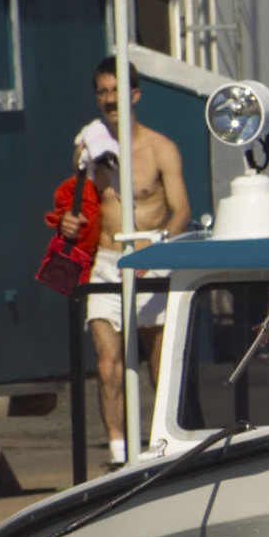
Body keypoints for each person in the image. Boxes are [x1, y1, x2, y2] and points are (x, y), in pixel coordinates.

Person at [80, 64, 190, 451]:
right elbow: (77, 205)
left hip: (151, 258)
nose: (110, 99)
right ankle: (117, 448)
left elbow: (181, 212)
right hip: (108, 260)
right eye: (103, 91)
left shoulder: (160, 148)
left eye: (116, 90)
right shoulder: (89, 147)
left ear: (135, 95)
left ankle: (163, 442)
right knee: (107, 361)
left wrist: (155, 249)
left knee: (159, 364)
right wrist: (69, 221)